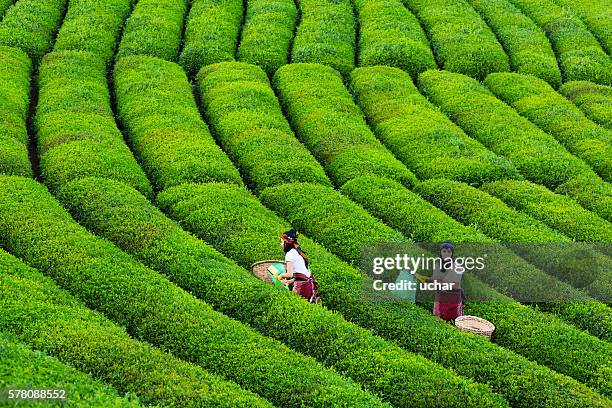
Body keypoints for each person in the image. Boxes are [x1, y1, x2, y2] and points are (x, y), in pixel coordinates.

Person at [277, 229, 321, 304]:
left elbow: (289, 274)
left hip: (303, 286)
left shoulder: (289, 254)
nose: (281, 244)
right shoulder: (297, 251)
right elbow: (301, 273)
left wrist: (280, 276)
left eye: (281, 242)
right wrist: (290, 281)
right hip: (308, 284)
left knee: (294, 304)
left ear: (286, 243)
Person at [428, 241, 464, 323]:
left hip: (453, 298)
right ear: (440, 252)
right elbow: (435, 280)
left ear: (452, 253)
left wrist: (441, 282)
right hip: (439, 296)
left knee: (451, 320)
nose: (446, 254)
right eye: (444, 251)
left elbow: (455, 285)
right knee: (438, 318)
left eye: (449, 251)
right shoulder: (437, 265)